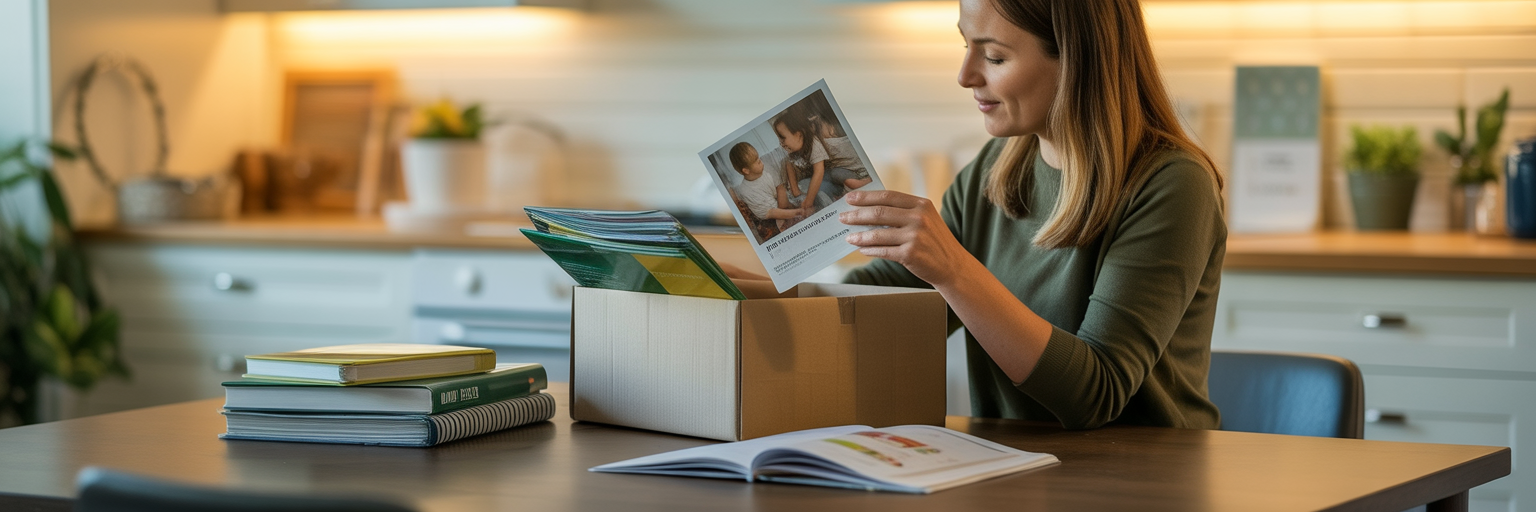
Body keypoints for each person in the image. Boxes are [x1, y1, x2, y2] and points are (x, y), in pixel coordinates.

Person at [838, 0, 1226, 430]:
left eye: (994, 56)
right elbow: (886, 305)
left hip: (1145, 480)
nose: (966, 76)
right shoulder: (994, 169)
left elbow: (1096, 394)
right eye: (966, 46)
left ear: (1077, 60)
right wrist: (762, 288)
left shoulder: (1172, 185)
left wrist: (954, 270)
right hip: (1010, 472)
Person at [773, 112, 865, 217]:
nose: (781, 143)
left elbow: (818, 172)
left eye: (783, 137)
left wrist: (809, 201)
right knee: (831, 175)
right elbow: (789, 163)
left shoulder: (814, 143)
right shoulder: (797, 151)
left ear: (799, 135)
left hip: (855, 164)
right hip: (839, 168)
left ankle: (866, 181)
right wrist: (795, 190)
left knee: (850, 182)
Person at [728, 142, 804, 229]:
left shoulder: (766, 168)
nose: (761, 161)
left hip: (785, 199)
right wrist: (799, 212)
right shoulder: (748, 191)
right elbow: (772, 212)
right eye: (757, 162)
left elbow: (781, 188)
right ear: (746, 171)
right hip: (775, 214)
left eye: (759, 158)